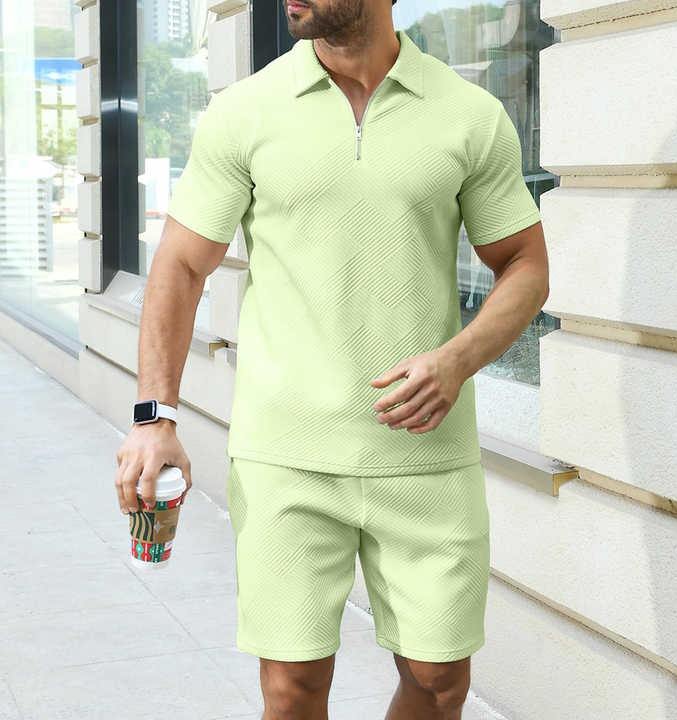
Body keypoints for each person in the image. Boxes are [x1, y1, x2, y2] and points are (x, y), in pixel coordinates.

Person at [115, 0, 549, 717]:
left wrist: (458, 358)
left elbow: (524, 264)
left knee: (440, 682)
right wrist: (154, 417)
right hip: (285, 457)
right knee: (292, 689)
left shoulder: (469, 115)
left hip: (426, 459)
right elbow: (180, 267)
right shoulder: (245, 111)